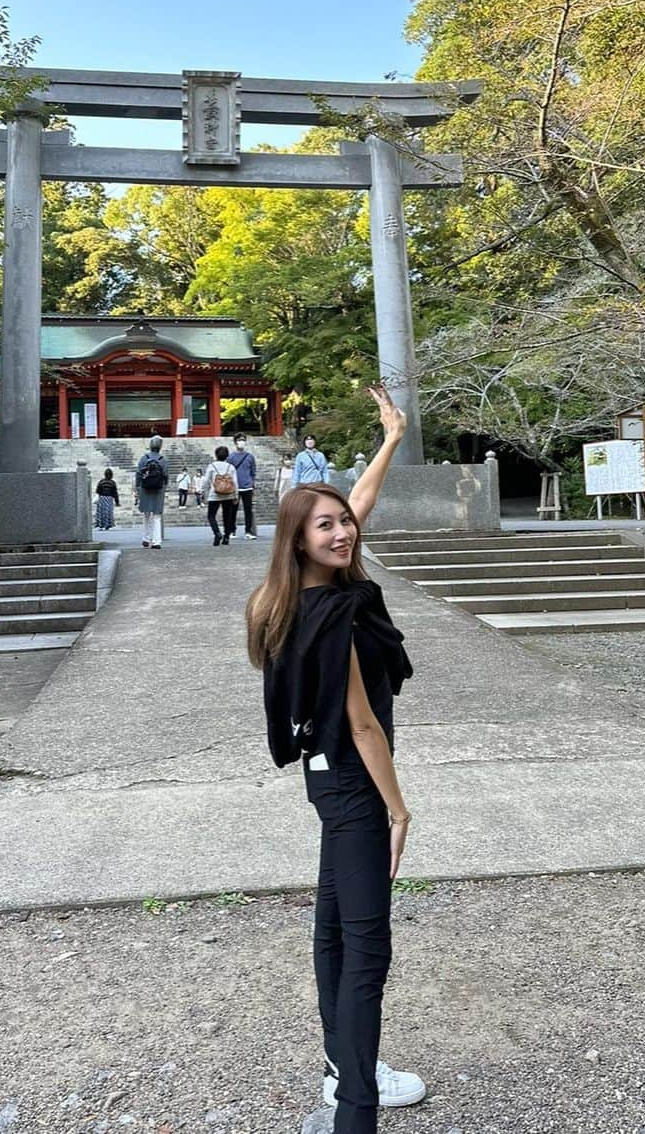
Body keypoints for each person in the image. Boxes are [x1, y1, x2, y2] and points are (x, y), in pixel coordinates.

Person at [246, 385, 426, 1134]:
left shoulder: (285, 600)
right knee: (367, 950)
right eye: (326, 526)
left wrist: (390, 439)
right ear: (298, 539)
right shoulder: (338, 616)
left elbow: (353, 503)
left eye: (345, 522)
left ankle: (337, 1070)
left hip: (322, 784)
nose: (345, 531)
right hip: (354, 786)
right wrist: (399, 807)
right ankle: (357, 1106)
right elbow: (362, 725)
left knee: (332, 930)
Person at [134, 435, 169, 549]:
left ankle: (146, 538)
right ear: (160, 447)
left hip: (145, 488)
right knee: (157, 516)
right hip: (159, 489)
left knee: (146, 514)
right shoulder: (163, 460)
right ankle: (156, 541)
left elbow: (138, 474)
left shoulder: (144, 458)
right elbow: (166, 476)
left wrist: (137, 488)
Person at [202, 444, 238, 546]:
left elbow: (205, 480)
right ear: (227, 456)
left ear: (216, 455)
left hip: (215, 494)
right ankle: (226, 537)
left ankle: (217, 533)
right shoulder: (231, 467)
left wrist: (202, 491)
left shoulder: (212, 466)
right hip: (228, 494)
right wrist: (236, 494)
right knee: (227, 516)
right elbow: (235, 482)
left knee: (211, 515)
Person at [228, 434, 258, 539]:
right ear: (235, 442)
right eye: (239, 440)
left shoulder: (250, 457)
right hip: (235, 487)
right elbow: (228, 473)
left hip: (247, 486)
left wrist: (252, 483)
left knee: (248, 510)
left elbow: (253, 471)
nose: (242, 442)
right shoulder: (231, 457)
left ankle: (248, 531)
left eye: (243, 440)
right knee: (233, 510)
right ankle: (231, 530)